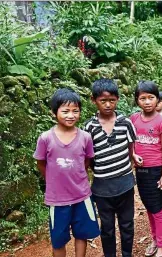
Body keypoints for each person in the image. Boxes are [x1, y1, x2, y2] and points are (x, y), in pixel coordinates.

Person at [33, 88, 100, 257]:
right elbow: (40, 163)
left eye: (75, 111)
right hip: (57, 199)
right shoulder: (46, 138)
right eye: (65, 111)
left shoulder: (85, 137)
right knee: (58, 239)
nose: (71, 115)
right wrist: (52, 181)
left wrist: (77, 177)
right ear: (54, 113)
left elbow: (86, 161)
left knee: (82, 233)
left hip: (82, 195)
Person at [84, 78, 137, 257]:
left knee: (127, 224)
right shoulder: (89, 127)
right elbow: (89, 157)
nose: (108, 104)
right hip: (102, 188)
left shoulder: (126, 123)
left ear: (118, 99)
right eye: (103, 100)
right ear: (94, 100)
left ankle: (127, 254)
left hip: (125, 184)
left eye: (112, 100)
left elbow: (130, 149)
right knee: (106, 227)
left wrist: (128, 166)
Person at [130, 80, 162, 257]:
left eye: (151, 98)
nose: (147, 102)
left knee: (157, 208)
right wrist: (132, 154)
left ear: (157, 99)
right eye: (143, 98)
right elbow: (131, 142)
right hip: (141, 171)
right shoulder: (133, 119)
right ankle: (155, 239)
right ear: (137, 100)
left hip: (156, 170)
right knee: (148, 206)